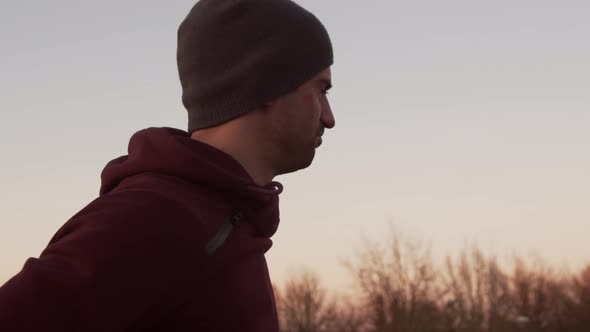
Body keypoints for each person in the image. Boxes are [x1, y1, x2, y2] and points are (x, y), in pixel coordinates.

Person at [0, 0, 334, 330]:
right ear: (267, 82)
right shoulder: (155, 217)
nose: (329, 117)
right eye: (321, 90)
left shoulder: (225, 221)